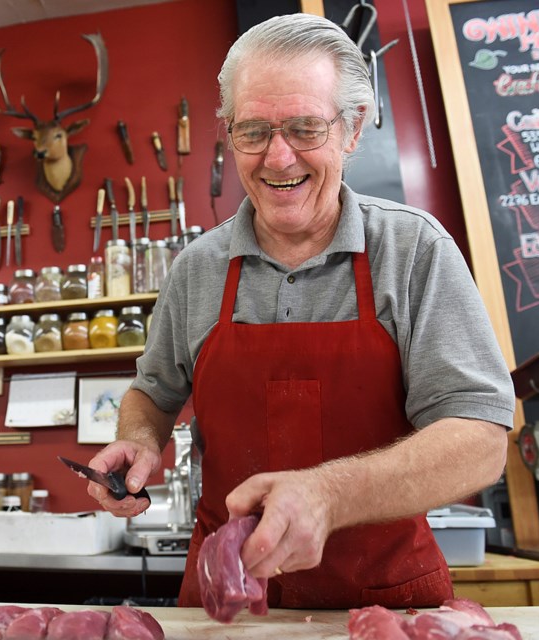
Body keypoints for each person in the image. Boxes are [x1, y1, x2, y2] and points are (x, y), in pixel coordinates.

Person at [87, 13, 515, 610]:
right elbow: (153, 394)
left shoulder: (414, 250)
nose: (278, 157)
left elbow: (480, 441)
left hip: (385, 605)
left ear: (352, 129)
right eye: (253, 130)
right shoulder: (197, 268)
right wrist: (139, 440)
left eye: (305, 127)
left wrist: (328, 495)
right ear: (228, 131)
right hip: (226, 604)